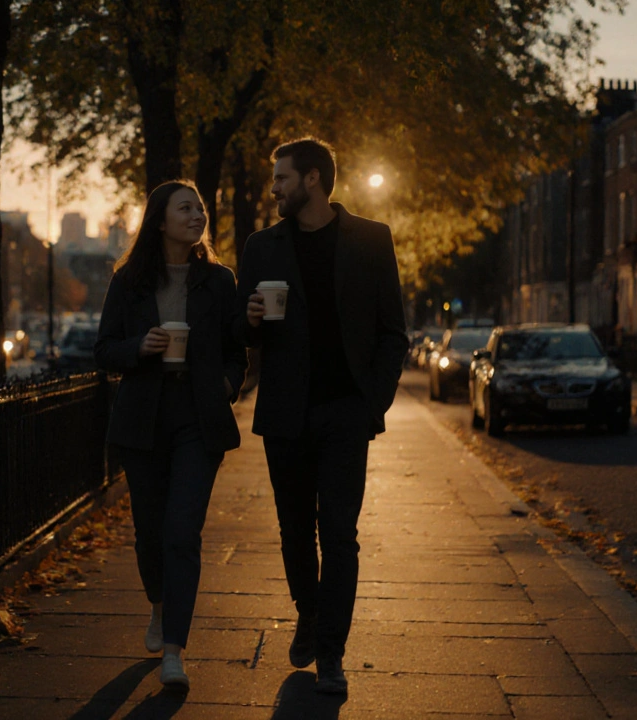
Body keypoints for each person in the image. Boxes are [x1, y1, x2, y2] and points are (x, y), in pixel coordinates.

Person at [235, 138, 408, 694]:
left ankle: (331, 652)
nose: (274, 189)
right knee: (294, 530)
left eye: (282, 178)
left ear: (312, 179)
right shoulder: (261, 246)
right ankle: (308, 613)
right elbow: (239, 333)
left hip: (345, 413)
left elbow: (393, 332)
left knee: (339, 535)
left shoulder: (371, 239)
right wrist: (250, 319)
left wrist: (371, 404)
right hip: (285, 412)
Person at [94, 180, 247, 689]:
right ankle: (159, 607)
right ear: (160, 220)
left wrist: (226, 384)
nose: (198, 215)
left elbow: (236, 351)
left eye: (200, 207)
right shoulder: (129, 281)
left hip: (198, 418)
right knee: (150, 534)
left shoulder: (219, 280)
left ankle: (175, 651)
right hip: (142, 419)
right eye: (186, 208)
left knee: (182, 533)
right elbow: (104, 350)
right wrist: (140, 346)